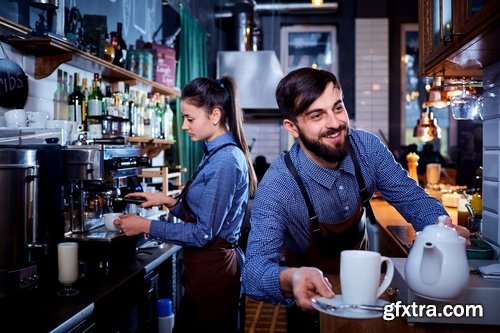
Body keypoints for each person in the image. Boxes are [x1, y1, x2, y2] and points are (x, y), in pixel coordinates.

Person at [241, 67, 470, 333]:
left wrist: (441, 227)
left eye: (338, 108)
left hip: (365, 294)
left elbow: (413, 199)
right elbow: (253, 272)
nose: (335, 123)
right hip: (310, 302)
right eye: (317, 115)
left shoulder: (367, 149)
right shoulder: (279, 185)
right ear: (293, 127)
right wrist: (290, 277)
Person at [115, 76, 257, 333]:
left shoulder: (225, 160)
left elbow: (203, 233)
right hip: (205, 275)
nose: (184, 126)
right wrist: (167, 201)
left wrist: (146, 225)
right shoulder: (214, 152)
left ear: (215, 115)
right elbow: (208, 214)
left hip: (216, 276)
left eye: (190, 118)